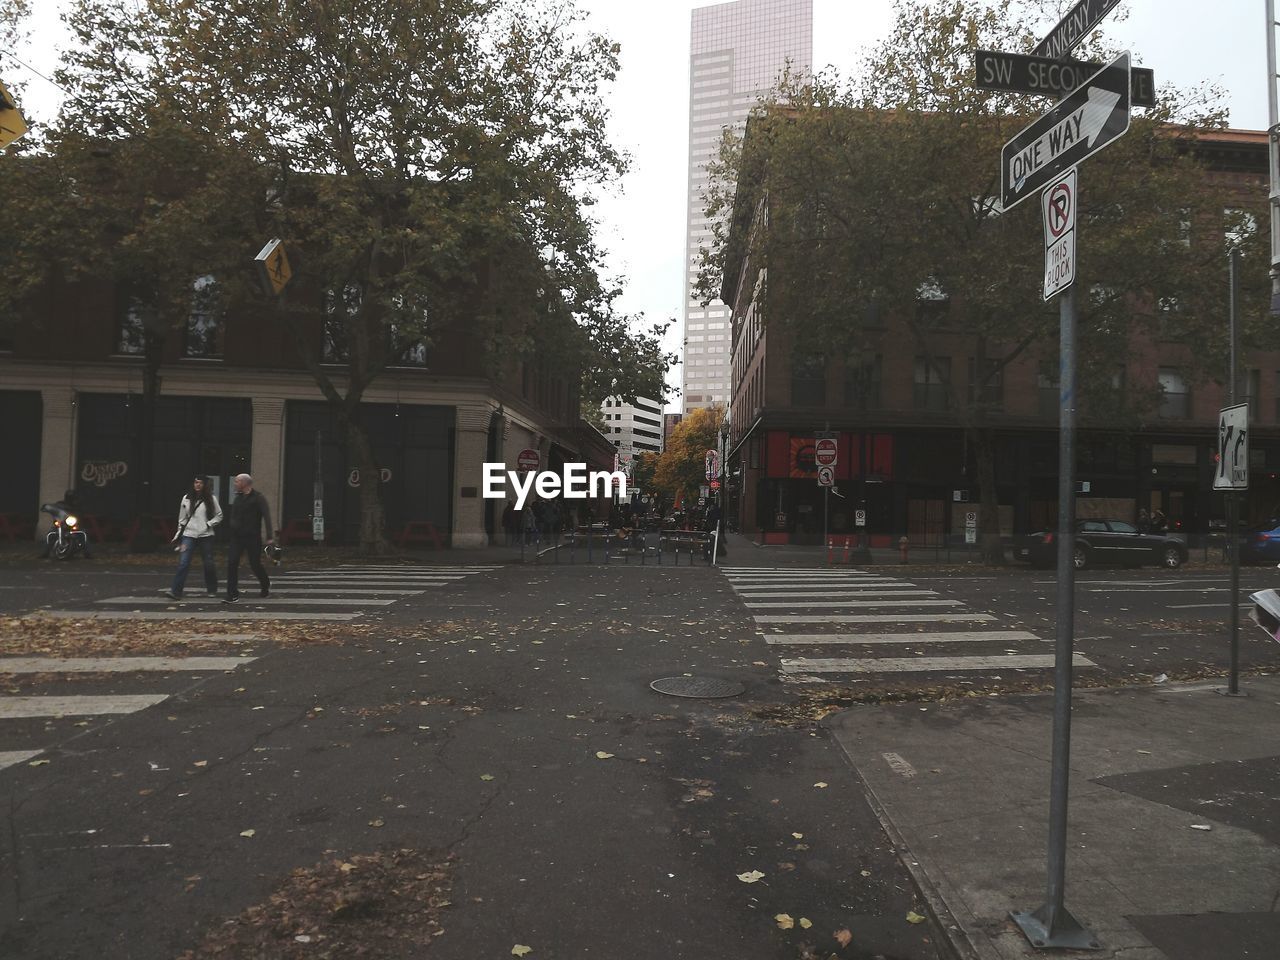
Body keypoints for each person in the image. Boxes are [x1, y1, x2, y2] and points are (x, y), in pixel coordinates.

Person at [165, 476, 222, 599]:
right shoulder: (186, 498)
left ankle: (212, 588)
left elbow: (219, 515)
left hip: (205, 535)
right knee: (183, 563)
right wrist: (177, 535)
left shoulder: (211, 499)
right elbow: (182, 519)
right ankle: (176, 591)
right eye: (196, 482)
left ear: (204, 485)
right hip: (189, 534)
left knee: (208, 563)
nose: (198, 485)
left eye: (201, 483)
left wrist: (209, 524)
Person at [224, 473, 274, 603]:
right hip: (237, 537)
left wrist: (269, 536)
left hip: (252, 537)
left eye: (237, 482)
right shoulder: (238, 498)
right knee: (232, 562)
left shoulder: (258, 498)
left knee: (255, 564)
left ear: (245, 483)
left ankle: (265, 584)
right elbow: (233, 514)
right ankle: (232, 594)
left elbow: (267, 516)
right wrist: (233, 525)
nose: (235, 484)